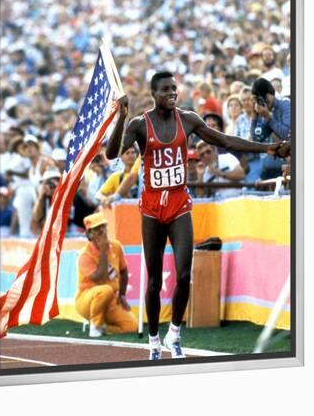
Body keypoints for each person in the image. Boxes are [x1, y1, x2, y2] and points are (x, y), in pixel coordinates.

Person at [105, 71, 289, 360]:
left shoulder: (188, 119)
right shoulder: (140, 124)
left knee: (184, 274)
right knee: (153, 281)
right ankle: (154, 340)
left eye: (174, 89)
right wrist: (121, 117)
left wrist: (269, 148)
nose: (171, 94)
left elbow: (225, 141)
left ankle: (174, 335)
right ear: (154, 94)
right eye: (165, 90)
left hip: (179, 203)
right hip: (152, 208)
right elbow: (112, 153)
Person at [75, 212, 138, 338]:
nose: (102, 231)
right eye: (97, 229)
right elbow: (100, 278)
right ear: (89, 234)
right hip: (87, 300)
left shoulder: (116, 246)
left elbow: (124, 272)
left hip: (110, 299)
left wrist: (122, 295)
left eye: (103, 227)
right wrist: (103, 251)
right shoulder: (84, 255)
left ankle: (104, 327)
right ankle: (95, 325)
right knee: (105, 290)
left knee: (132, 326)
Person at [251, 78, 291, 180]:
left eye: (264, 97)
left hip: (288, 166)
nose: (263, 101)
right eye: (260, 98)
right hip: (270, 169)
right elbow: (257, 139)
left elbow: (288, 134)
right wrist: (254, 117)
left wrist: (268, 118)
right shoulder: (263, 109)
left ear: (271, 93)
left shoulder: (285, 104)